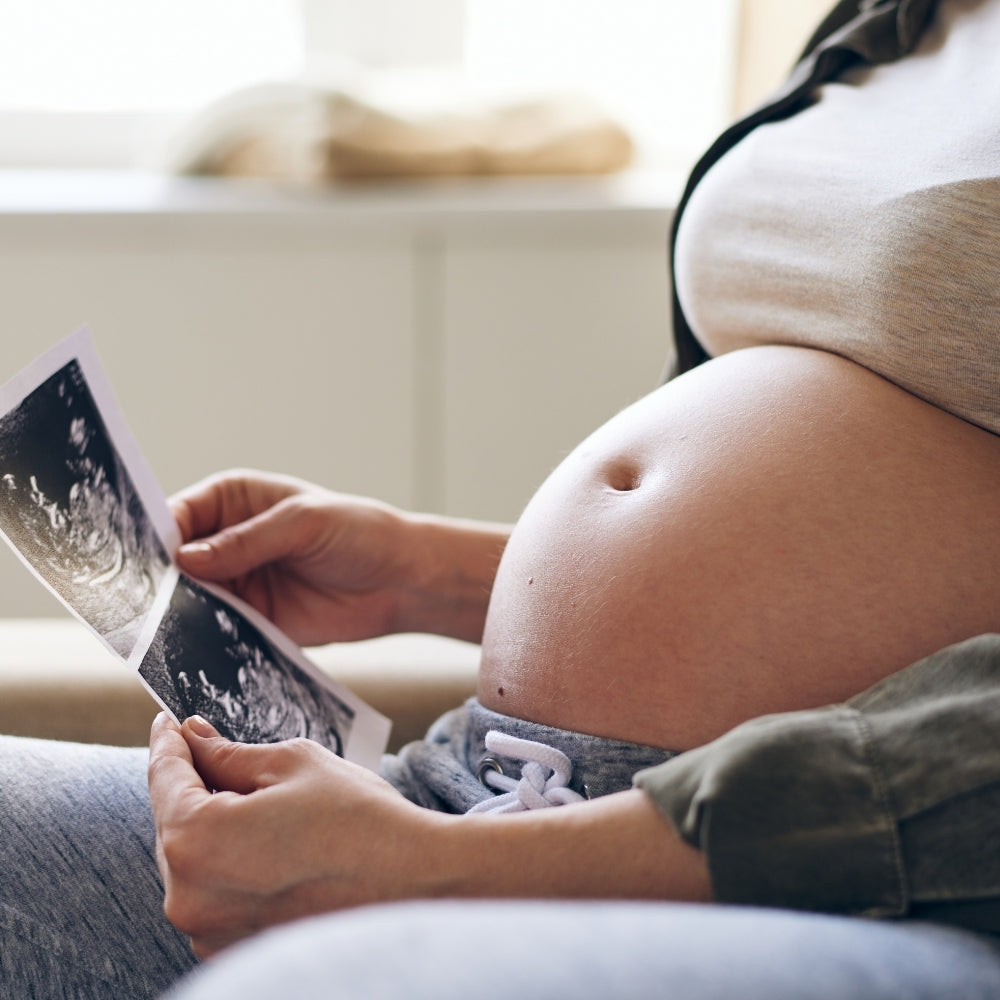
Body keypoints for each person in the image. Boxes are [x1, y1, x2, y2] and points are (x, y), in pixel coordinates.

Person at [3, 0, 1000, 997]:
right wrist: (429, 574)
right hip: (482, 788)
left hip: (826, 882)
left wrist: (442, 875)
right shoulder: (895, 22)